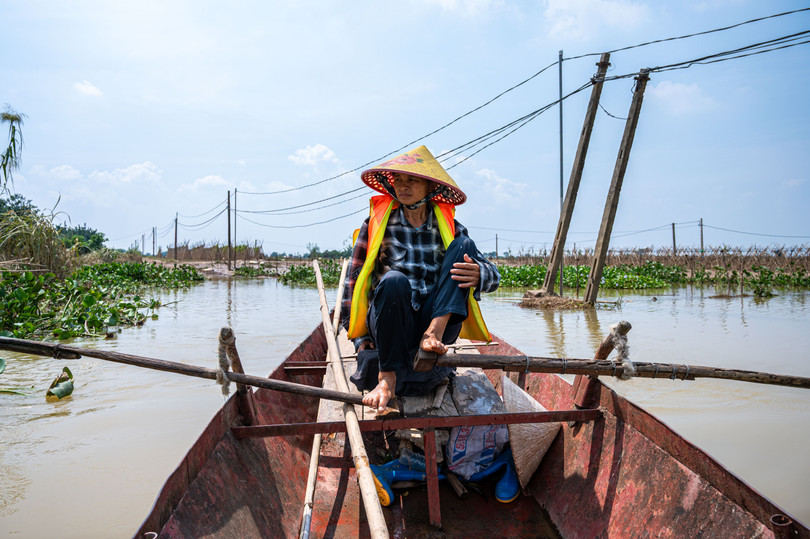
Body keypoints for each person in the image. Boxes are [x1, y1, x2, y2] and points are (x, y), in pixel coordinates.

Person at [341, 145, 499, 413]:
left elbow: (493, 275)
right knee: (393, 280)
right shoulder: (377, 223)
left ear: (430, 187)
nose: (403, 186)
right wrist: (359, 337)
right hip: (392, 322)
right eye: (398, 180)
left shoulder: (449, 225)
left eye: (412, 180)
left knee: (464, 246)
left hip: (435, 320)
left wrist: (480, 274)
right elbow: (353, 282)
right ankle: (387, 379)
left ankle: (432, 334)